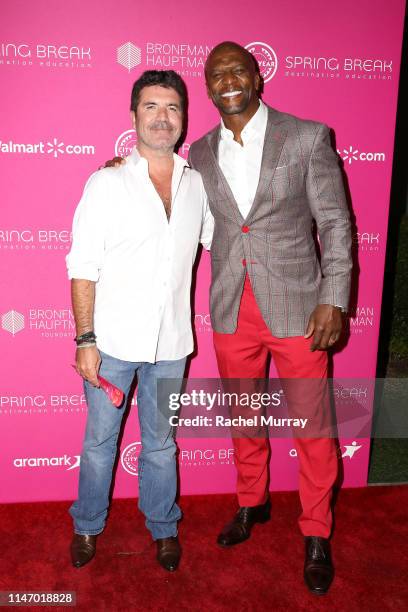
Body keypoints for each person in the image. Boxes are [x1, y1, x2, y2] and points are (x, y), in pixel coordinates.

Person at [187, 42, 352, 596]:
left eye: (237, 70)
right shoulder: (201, 152)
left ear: (257, 78)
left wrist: (334, 298)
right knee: (245, 420)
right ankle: (252, 504)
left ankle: (316, 532)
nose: (227, 80)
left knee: (314, 428)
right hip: (233, 308)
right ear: (208, 88)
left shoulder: (306, 136)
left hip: (301, 309)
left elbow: (335, 222)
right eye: (217, 75)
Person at [66, 70, 213, 572]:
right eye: (151, 106)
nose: (162, 117)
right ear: (134, 116)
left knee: (161, 444)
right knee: (100, 443)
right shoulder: (106, 182)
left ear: (184, 119)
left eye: (172, 108)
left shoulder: (197, 186)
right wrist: (85, 338)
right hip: (112, 344)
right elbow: (82, 265)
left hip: (172, 344)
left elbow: (224, 236)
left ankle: (163, 527)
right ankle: (87, 524)